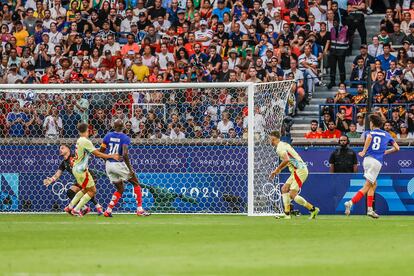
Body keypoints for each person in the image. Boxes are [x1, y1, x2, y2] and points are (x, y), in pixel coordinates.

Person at [344, 114, 400, 219]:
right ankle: (350, 202)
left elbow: (369, 137)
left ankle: (370, 210)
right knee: (367, 186)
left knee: (373, 185)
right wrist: (385, 152)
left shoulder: (369, 132)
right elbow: (397, 148)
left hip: (367, 160)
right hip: (376, 162)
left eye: (370, 122)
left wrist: (364, 151)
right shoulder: (386, 134)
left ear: (373, 124)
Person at [64, 123, 119, 217]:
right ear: (88, 130)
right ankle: (76, 209)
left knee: (86, 189)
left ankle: (70, 207)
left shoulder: (80, 140)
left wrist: (101, 148)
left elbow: (91, 150)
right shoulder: (86, 141)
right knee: (92, 191)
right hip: (81, 170)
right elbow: (97, 154)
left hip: (76, 169)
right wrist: (111, 156)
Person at [100, 119, 150, 217]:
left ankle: (108, 210)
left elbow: (101, 151)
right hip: (119, 164)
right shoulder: (125, 138)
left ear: (113, 127)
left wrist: (107, 160)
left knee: (120, 189)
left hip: (109, 165)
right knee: (136, 182)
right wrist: (130, 169)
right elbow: (125, 154)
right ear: (123, 127)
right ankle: (140, 209)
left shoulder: (107, 136)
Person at [268, 131, 320, 220]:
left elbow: (286, 160)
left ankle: (313, 209)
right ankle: (287, 214)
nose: (269, 141)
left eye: (270, 138)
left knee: (292, 195)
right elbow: (288, 160)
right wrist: (279, 169)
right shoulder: (283, 144)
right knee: (284, 189)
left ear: (273, 138)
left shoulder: (279, 148)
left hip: (299, 170)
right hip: (296, 171)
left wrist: (277, 169)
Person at [43, 144, 103, 215]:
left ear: (68, 149)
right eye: (60, 148)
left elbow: (85, 157)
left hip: (89, 176)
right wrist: (51, 180)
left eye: (62, 148)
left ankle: (97, 207)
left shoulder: (75, 156)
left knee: (88, 190)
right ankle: (84, 207)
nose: (60, 150)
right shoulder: (64, 163)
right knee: (70, 192)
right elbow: (57, 174)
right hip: (80, 179)